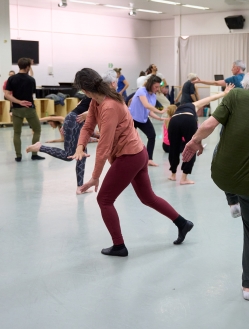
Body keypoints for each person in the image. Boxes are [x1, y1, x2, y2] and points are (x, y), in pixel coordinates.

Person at [181, 38, 249, 301]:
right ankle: (248, 287)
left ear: (246, 85)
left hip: (222, 175)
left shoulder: (236, 95)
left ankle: (231, 201)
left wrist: (194, 143)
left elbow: (208, 126)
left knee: (219, 147)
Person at [69, 68, 193, 257]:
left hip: (129, 157)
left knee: (104, 199)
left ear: (84, 90)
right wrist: (80, 146)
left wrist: (95, 178)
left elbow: (103, 147)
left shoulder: (109, 106)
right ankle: (183, 223)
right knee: (148, 197)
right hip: (137, 153)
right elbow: (87, 126)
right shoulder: (97, 101)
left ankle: (119, 246)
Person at [25, 71, 118, 194]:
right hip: (74, 121)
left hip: (73, 121)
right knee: (69, 155)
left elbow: (81, 109)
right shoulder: (99, 96)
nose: (117, 85)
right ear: (112, 83)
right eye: (116, 82)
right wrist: (70, 122)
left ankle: (80, 187)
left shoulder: (99, 95)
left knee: (82, 155)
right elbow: (85, 113)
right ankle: (40, 147)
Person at [169, 84, 235, 185]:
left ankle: (173, 175)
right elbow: (210, 98)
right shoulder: (193, 105)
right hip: (188, 119)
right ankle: (184, 178)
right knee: (192, 146)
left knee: (173, 148)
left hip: (173, 121)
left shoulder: (177, 111)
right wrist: (225, 93)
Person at [4, 58, 44, 162]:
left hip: (16, 110)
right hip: (29, 109)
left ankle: (18, 156)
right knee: (37, 130)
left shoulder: (11, 79)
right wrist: (23, 102)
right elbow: (32, 93)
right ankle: (34, 154)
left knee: (17, 133)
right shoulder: (31, 79)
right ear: (27, 67)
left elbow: (7, 95)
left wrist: (18, 102)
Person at [128, 75, 168, 167]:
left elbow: (149, 112)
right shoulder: (141, 90)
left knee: (152, 136)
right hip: (132, 118)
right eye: (156, 87)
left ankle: (149, 159)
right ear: (150, 85)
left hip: (143, 119)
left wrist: (160, 118)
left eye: (158, 87)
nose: (157, 89)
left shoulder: (153, 96)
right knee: (130, 139)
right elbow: (146, 105)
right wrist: (160, 111)